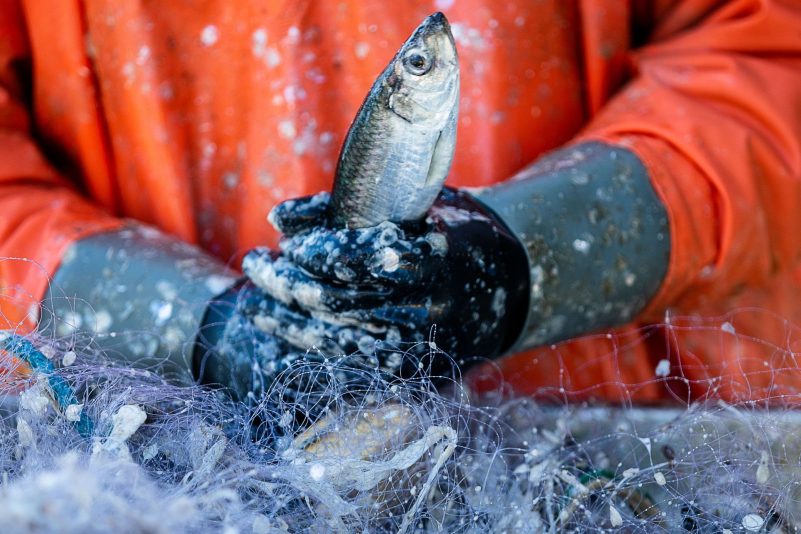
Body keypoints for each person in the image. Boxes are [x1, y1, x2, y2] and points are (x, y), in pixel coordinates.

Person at [1, 0, 800, 404]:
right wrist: (202, 329)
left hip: (603, 452)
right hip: (149, 466)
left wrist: (524, 256)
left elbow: (762, 59)